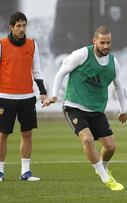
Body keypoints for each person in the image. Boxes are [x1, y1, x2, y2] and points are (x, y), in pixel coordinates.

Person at [43, 26, 127, 191]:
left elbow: (118, 86)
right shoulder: (81, 55)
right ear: (94, 41)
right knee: (87, 139)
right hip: (74, 106)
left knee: (110, 147)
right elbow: (61, 72)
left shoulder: (113, 62)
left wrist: (123, 110)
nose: (105, 46)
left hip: (96, 110)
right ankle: (106, 178)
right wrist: (54, 95)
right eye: (102, 42)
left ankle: (102, 166)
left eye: (108, 43)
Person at [0, 11, 47, 182]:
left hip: (27, 97)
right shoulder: (1, 44)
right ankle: (0, 171)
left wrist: (42, 92)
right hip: (5, 97)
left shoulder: (32, 45)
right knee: (2, 135)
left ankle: (25, 172)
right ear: (11, 27)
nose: (21, 29)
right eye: (18, 26)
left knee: (27, 134)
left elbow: (37, 71)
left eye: (24, 25)